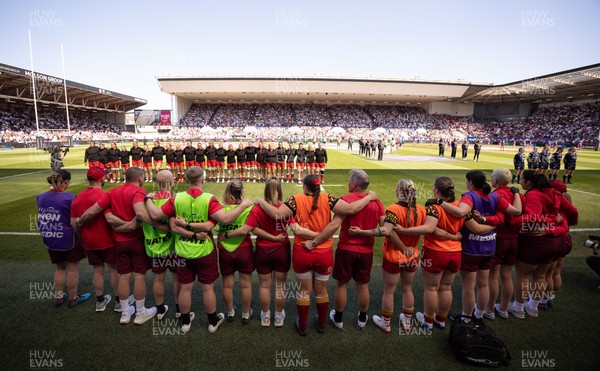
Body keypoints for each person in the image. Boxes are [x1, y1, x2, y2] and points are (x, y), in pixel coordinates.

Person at [256, 173, 377, 336]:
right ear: (318, 187)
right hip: (324, 251)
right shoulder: (328, 199)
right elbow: (351, 208)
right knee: (322, 291)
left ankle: (303, 326)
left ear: (305, 187)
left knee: (303, 292)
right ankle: (321, 324)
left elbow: (277, 214)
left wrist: (260, 201)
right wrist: (369, 198)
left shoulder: (295, 199)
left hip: (302, 251)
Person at [145, 166, 253, 333]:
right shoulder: (209, 199)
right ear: (203, 179)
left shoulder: (177, 198)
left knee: (185, 287)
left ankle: (186, 323)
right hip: (204, 250)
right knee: (207, 288)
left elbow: (156, 215)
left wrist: (147, 199)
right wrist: (243, 205)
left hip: (182, 250)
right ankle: (212, 322)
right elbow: (225, 219)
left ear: (187, 180)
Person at [352, 179, 461, 332]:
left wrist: (361, 232)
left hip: (393, 257)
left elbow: (385, 231)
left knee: (389, 291)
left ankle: (386, 323)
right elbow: (433, 230)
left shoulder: (393, 209)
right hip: (411, 257)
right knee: (407, 289)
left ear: (398, 191)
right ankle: (408, 322)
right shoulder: (422, 209)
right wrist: (453, 237)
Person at [395, 177, 497, 330]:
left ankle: (428, 321)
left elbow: (430, 229)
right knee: (446, 287)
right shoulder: (461, 208)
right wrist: (495, 225)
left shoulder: (433, 207)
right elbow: (476, 228)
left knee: (431, 288)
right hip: (455, 253)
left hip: (435, 252)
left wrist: (403, 230)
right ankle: (441, 319)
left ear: (437, 190)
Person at [223, 178, 316, 327]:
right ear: (279, 190)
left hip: (263, 251)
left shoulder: (257, 208)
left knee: (264, 286)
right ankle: (278, 317)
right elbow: (297, 229)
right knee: (280, 286)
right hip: (281, 250)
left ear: (265, 190)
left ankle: (265, 316)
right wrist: (320, 234)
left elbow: (252, 228)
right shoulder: (285, 208)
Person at [76, 167, 164, 325]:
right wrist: (160, 226)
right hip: (136, 240)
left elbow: (92, 211)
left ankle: (125, 313)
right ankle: (140, 312)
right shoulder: (138, 191)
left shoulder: (111, 192)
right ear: (140, 178)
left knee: (123, 275)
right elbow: (140, 214)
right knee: (139, 276)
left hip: (119, 242)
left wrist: (80, 221)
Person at [305, 170, 385, 331]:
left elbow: (334, 225)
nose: (348, 183)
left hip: (346, 249)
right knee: (363, 286)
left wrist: (314, 242)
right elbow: (384, 229)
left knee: (342, 285)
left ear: (355, 184)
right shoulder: (377, 202)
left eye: (349, 180)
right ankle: (362, 319)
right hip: (366, 251)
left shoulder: (345, 200)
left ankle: (339, 318)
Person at [438, 170, 522, 320]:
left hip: (471, 247)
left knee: (469, 286)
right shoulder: (495, 196)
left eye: (466, 181)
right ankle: (480, 314)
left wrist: (439, 202)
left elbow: (459, 212)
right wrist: (516, 193)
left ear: (470, 182)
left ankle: (466, 317)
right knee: (484, 284)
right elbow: (517, 211)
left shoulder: (469, 196)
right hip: (490, 246)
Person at [507, 171, 566, 319]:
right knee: (540, 276)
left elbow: (532, 217)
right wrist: (553, 221)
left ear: (529, 182)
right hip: (553, 239)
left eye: (521, 179)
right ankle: (533, 307)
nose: (520, 182)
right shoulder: (553, 193)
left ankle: (518, 307)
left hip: (537, 240)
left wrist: (512, 222)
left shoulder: (534, 194)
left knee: (523, 275)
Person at [70, 167, 128, 312]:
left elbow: (73, 224)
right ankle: (119, 303)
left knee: (97, 270)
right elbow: (112, 220)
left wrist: (83, 234)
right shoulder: (104, 195)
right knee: (114, 270)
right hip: (107, 239)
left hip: (89, 241)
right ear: (101, 179)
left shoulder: (77, 197)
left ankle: (100, 301)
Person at [36, 170, 90, 308]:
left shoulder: (40, 197)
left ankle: (59, 297)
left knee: (60, 268)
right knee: (72, 268)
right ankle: (73, 298)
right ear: (65, 182)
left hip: (50, 237)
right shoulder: (70, 198)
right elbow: (77, 219)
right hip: (68, 237)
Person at [481, 168, 525, 319]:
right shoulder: (517, 195)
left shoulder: (495, 196)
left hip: (499, 240)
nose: (491, 180)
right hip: (514, 240)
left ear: (496, 181)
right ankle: (504, 308)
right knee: (506, 275)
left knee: (492, 276)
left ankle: (489, 309)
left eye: (492, 177)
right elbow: (522, 214)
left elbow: (493, 218)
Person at [142, 170, 180, 320]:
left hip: (154, 248)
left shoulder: (146, 202)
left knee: (158, 278)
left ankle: (160, 310)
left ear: (156, 183)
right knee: (177, 278)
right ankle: (179, 310)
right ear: (172, 182)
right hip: (173, 248)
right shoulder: (175, 200)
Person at [540, 181, 578, 309]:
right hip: (565, 239)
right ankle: (549, 297)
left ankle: (542, 299)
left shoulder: (555, 207)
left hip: (555, 239)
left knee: (545, 273)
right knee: (556, 272)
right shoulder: (567, 206)